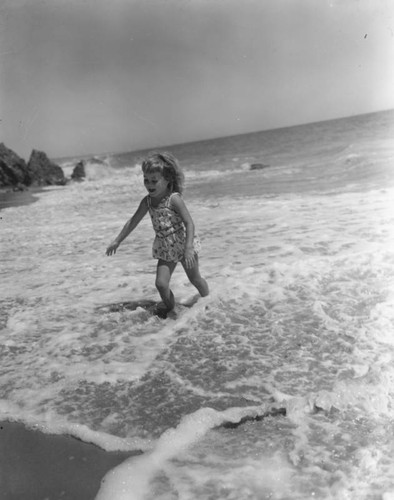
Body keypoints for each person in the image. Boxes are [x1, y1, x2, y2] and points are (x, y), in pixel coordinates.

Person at [106, 152, 209, 315]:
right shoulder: (147, 201)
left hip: (183, 245)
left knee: (195, 278)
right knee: (161, 284)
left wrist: (189, 247)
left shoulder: (174, 199)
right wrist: (117, 240)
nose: (149, 184)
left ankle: (209, 301)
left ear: (167, 180)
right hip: (165, 248)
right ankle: (172, 309)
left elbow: (189, 223)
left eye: (154, 180)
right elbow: (133, 221)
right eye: (146, 180)